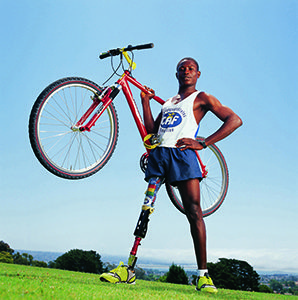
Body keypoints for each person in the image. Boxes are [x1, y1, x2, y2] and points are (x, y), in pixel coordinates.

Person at [100, 57, 242, 293]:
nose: (186, 72)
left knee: (194, 212)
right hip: (160, 157)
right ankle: (129, 269)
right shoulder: (168, 103)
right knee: (146, 209)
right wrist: (145, 102)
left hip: (182, 155)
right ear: (176, 75)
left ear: (197, 74)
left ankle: (203, 275)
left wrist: (204, 142)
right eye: (182, 69)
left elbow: (234, 120)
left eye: (191, 69)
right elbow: (151, 132)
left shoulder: (202, 98)